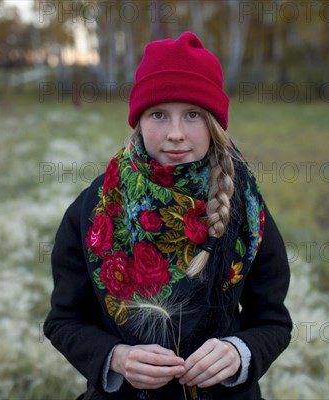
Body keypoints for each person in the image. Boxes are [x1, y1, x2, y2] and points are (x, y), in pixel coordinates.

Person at [44, 31, 292, 400]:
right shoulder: (93, 209)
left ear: (214, 123)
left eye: (192, 115)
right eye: (159, 114)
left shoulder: (245, 206)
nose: (175, 134)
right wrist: (116, 358)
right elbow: (64, 321)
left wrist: (239, 352)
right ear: (138, 121)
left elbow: (272, 321)